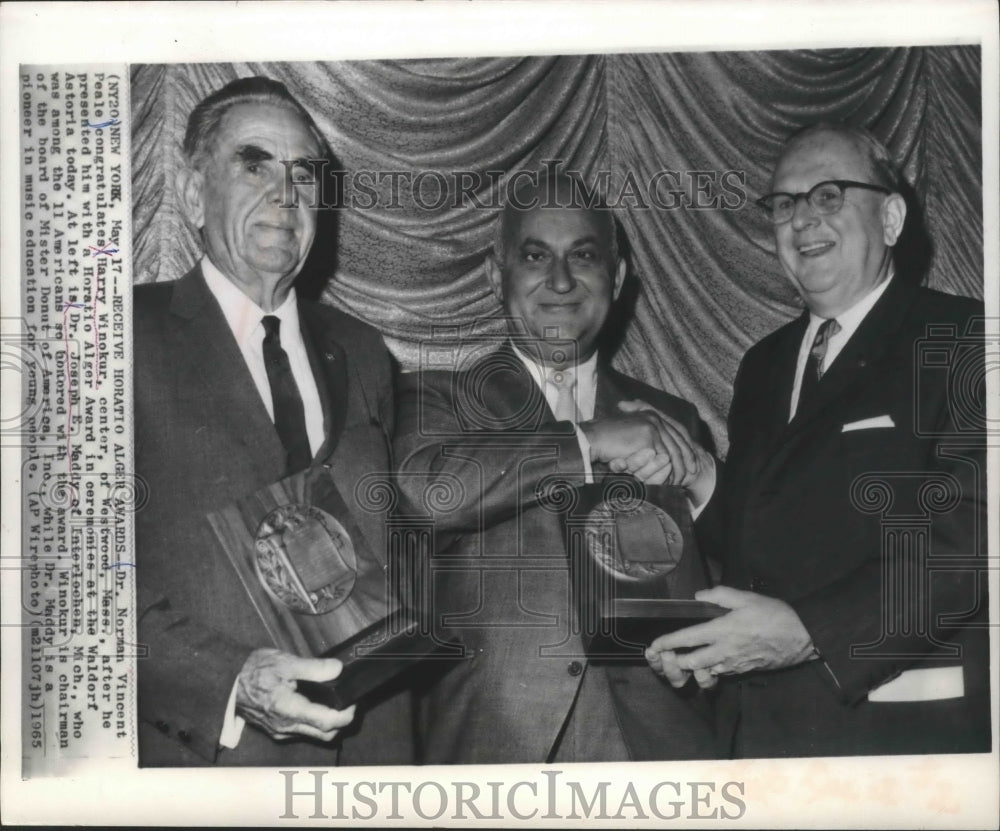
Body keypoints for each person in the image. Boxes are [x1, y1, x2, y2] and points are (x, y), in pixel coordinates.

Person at [645, 123, 990, 758]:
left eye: (828, 196)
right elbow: (765, 541)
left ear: (890, 219)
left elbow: (970, 543)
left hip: (898, 733)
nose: (802, 220)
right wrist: (698, 479)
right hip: (763, 735)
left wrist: (810, 632)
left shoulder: (965, 339)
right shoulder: (766, 363)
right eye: (784, 204)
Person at [393, 172, 717, 764]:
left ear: (615, 279)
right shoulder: (432, 399)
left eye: (584, 256)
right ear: (498, 275)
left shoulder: (672, 418)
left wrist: (697, 656)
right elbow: (433, 493)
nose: (562, 281)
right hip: (498, 752)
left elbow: (702, 585)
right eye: (536, 255)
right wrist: (587, 440)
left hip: (657, 755)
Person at [134, 76, 411, 766]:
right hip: (214, 763)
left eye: (304, 174)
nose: (285, 196)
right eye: (254, 164)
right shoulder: (118, 336)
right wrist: (230, 678)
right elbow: (60, 583)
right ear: (196, 196)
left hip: (373, 760)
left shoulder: (364, 351)